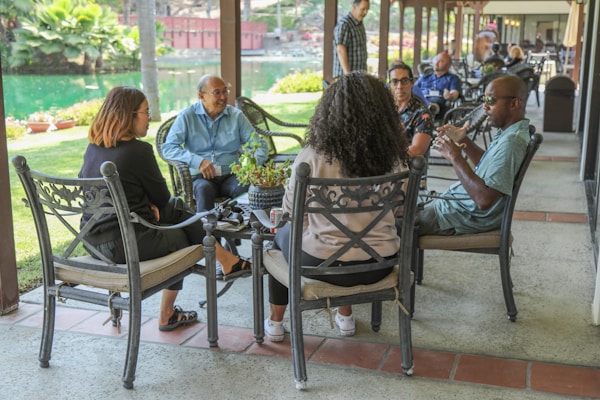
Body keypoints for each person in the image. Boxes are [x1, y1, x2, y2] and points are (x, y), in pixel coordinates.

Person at [79, 86, 253, 332]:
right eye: (145, 112)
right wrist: (153, 206)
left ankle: (227, 261)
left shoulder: (93, 148)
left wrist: (149, 206)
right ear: (128, 116)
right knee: (184, 231)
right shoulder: (139, 151)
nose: (149, 117)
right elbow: (162, 199)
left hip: (92, 241)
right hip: (124, 245)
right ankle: (169, 312)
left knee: (178, 214)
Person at [264, 72, 410, 341]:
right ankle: (345, 317)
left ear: (330, 111)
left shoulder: (312, 158)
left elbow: (290, 214)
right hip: (381, 263)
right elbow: (399, 210)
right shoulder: (395, 160)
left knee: (279, 238)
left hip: (323, 266)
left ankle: (275, 323)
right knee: (350, 234)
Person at [418, 75, 530, 236]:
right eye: (484, 99)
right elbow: (488, 166)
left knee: (388, 224)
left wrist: (455, 157)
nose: (485, 106)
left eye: (491, 100)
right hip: (455, 206)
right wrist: (464, 140)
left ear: (514, 103)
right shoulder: (510, 132)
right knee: (400, 205)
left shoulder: (512, 141)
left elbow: (484, 200)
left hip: (460, 216)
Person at [161, 74, 269, 213]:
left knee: (246, 187)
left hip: (230, 175)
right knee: (203, 190)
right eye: (217, 93)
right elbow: (168, 148)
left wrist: (252, 166)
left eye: (225, 91)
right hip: (200, 177)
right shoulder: (187, 117)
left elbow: (259, 144)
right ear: (201, 96)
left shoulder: (236, 116)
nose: (223, 97)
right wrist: (197, 161)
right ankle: (206, 232)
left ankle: (238, 230)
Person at [388, 60, 435, 157]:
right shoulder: (383, 109)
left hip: (400, 167)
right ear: (390, 85)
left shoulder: (422, 114)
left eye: (404, 81)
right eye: (395, 82)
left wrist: (385, 159)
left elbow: (417, 149)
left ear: (412, 82)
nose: (400, 86)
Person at [414, 51, 462, 117]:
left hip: (438, 104)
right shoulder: (424, 77)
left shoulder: (452, 78)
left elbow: (455, 93)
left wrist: (450, 95)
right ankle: (425, 105)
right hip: (420, 100)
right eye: (436, 60)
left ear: (448, 65)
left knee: (435, 101)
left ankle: (429, 107)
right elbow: (413, 89)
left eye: (441, 61)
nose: (436, 63)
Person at [333, 0, 370, 78]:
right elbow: (340, 50)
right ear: (354, 7)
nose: (365, 12)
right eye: (363, 9)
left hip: (358, 76)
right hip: (345, 77)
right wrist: (348, 76)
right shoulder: (345, 25)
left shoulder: (359, 24)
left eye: (367, 9)